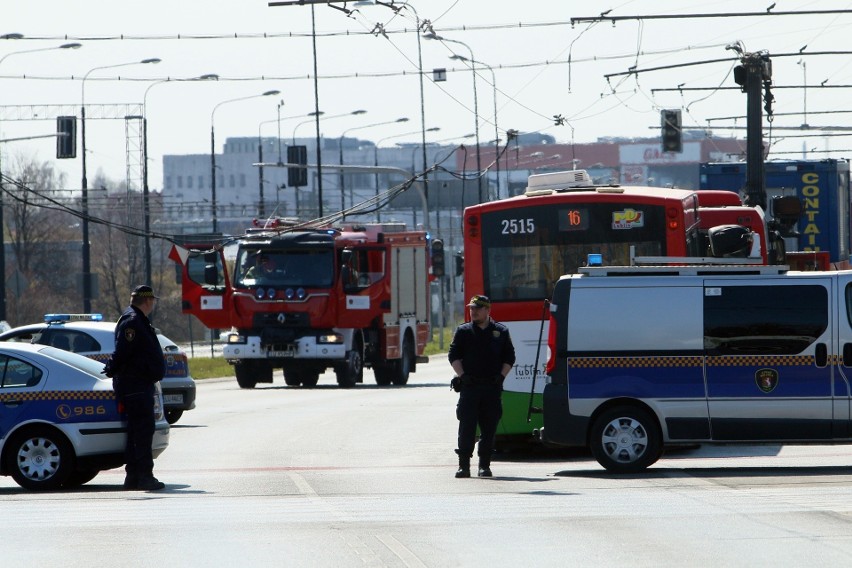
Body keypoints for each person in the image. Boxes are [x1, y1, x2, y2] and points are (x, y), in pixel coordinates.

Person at [103, 285, 167, 491]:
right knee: (142, 432)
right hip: (135, 384)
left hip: (137, 384)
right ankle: (145, 476)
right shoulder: (133, 321)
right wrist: (113, 367)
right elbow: (123, 351)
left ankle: (132, 477)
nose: (153, 304)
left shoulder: (136, 319)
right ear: (147, 301)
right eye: (152, 300)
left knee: (136, 432)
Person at [448, 294, 516, 478]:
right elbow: (453, 355)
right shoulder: (464, 331)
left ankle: (484, 466)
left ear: (488, 310)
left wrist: (501, 376)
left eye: (477, 308)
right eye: (471, 308)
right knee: (467, 426)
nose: (473, 311)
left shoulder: (500, 332)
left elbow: (509, 357)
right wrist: (462, 375)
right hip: (470, 386)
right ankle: (464, 466)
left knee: (489, 428)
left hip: (491, 387)